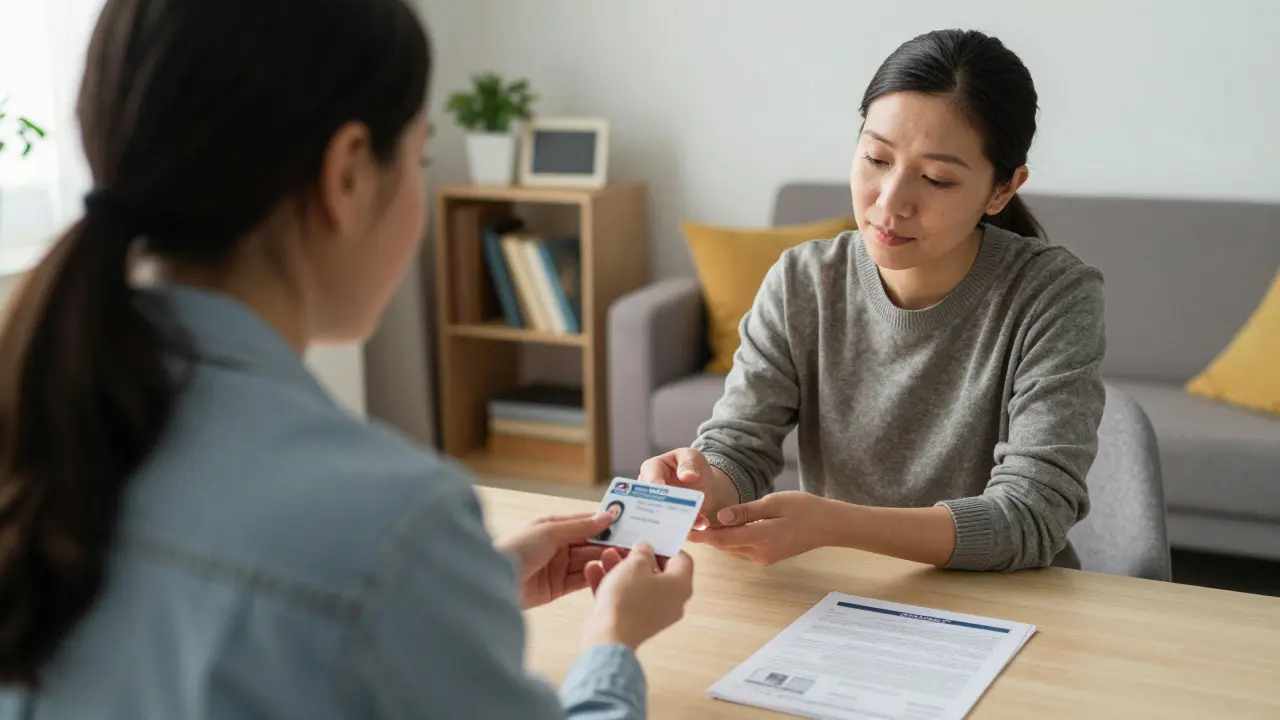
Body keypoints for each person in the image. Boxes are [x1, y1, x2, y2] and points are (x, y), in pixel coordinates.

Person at [0, 1, 691, 718]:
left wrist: (456, 587)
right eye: (420, 158)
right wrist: (613, 642)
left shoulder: (43, 428)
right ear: (350, 174)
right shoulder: (393, 522)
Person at [641, 29, 1106, 573]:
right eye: (876, 159)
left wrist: (837, 524)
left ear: (1002, 189)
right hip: (845, 595)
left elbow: (1032, 517)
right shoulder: (802, 281)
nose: (890, 203)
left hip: (1007, 602)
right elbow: (740, 447)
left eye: (936, 179)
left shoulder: (1052, 295)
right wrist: (703, 481)